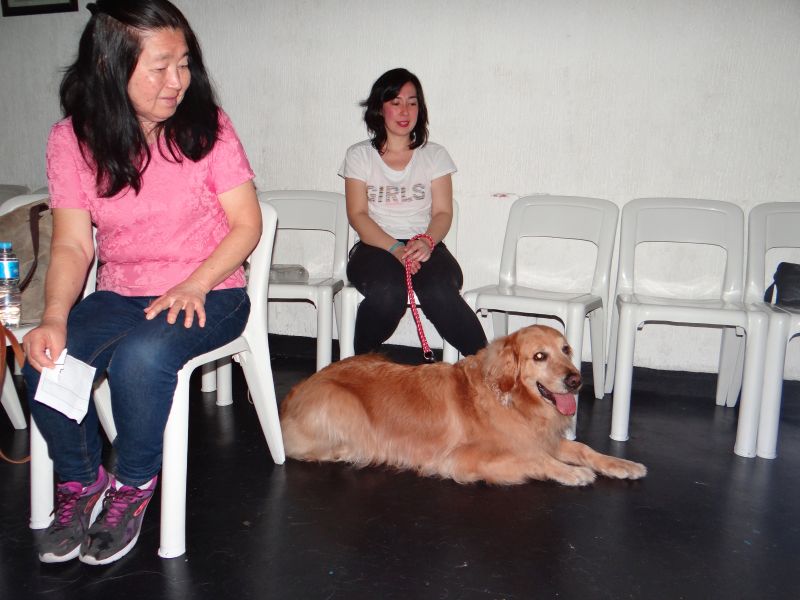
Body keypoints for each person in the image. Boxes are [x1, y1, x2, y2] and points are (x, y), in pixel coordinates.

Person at [22, 0, 261, 565]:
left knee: (141, 357)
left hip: (214, 290)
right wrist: (54, 317)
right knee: (51, 359)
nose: (178, 81)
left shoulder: (208, 127)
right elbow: (73, 244)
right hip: (121, 293)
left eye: (184, 63)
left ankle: (132, 485)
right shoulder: (71, 139)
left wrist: (195, 284)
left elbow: (246, 225)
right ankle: (83, 481)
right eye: (160, 67)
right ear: (109, 66)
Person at [339, 68, 487, 357]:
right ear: (379, 108)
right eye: (395, 102)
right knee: (388, 293)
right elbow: (358, 215)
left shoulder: (435, 155)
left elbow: (442, 212)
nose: (405, 111)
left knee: (439, 291)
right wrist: (395, 248)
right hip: (375, 246)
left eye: (412, 102)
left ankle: (489, 370)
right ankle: (362, 366)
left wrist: (427, 242)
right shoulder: (359, 155)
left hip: (425, 243)